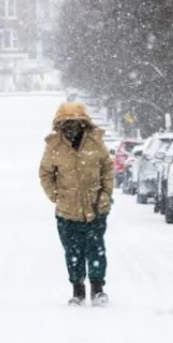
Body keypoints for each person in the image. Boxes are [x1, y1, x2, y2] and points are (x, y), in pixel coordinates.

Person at [39, 101, 114, 306]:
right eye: (65, 123)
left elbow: (107, 169)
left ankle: (98, 289)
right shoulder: (54, 146)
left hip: (96, 207)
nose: (70, 127)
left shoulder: (96, 143)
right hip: (67, 212)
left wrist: (106, 194)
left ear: (83, 123)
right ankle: (78, 290)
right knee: (73, 251)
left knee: (96, 248)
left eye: (74, 122)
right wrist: (56, 195)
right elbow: (45, 173)